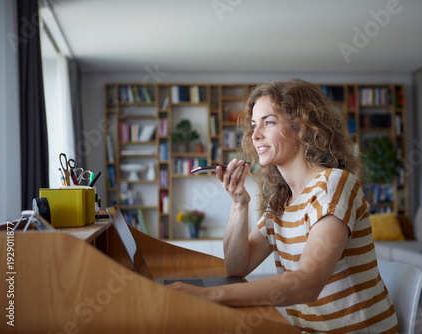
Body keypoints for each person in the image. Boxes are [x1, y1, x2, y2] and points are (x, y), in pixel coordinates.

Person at [170, 78, 398, 333]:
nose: (255, 135)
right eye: (254, 125)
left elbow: (307, 283)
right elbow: (236, 267)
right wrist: (238, 203)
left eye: (269, 122)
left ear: (301, 127)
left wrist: (211, 295)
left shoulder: (333, 184)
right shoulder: (281, 200)